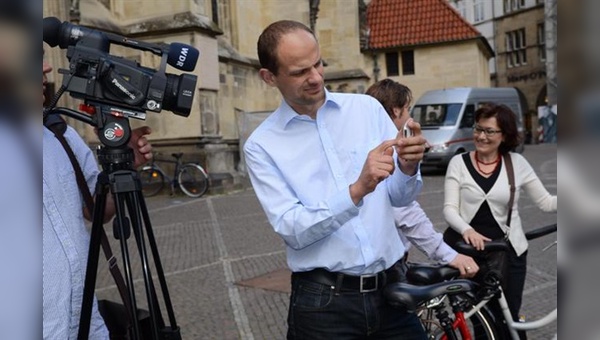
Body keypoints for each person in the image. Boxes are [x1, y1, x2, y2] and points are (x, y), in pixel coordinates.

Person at [244, 20, 428, 339]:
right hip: (324, 308)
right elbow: (293, 229)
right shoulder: (262, 145)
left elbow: (400, 197)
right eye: (300, 71)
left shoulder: (367, 109)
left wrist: (409, 168)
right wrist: (357, 191)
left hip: (393, 293)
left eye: (318, 63)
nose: (315, 77)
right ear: (269, 77)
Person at [43, 51, 153, 339]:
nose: (46, 66)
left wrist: (122, 167)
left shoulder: (59, 134)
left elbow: (97, 211)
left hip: (88, 326)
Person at [442, 103, 557, 334]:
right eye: (478, 129)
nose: (481, 136)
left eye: (489, 131)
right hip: (468, 254)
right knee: (480, 320)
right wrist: (468, 230)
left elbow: (546, 203)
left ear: (504, 135)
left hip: (508, 252)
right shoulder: (459, 162)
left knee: (509, 317)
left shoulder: (517, 163)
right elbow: (449, 209)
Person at [365, 79, 478, 275]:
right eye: (407, 109)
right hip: (385, 267)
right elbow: (406, 214)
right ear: (395, 111)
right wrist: (449, 255)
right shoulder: (389, 150)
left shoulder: (365, 145)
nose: (410, 116)